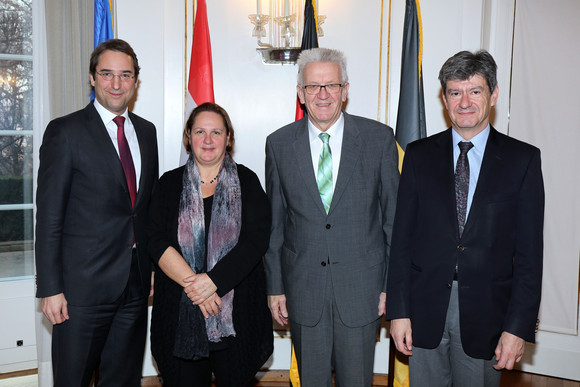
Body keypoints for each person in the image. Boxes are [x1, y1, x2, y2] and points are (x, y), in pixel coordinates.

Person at [386, 50, 545, 386]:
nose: (465, 102)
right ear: (444, 99)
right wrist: (398, 312)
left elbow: (530, 256)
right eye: (455, 92)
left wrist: (517, 327)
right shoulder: (418, 155)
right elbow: (401, 241)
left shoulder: (523, 160)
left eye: (475, 91)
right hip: (424, 311)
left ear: (494, 94)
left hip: (488, 313)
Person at [265, 48, 399, 386]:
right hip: (303, 289)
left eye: (331, 85)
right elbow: (276, 225)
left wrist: (390, 286)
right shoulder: (279, 144)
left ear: (345, 89)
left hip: (362, 288)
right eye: (313, 86)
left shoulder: (378, 139)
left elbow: (392, 221)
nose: (322, 95)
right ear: (300, 93)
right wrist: (276, 287)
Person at [35, 39, 159, 386]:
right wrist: (50, 287)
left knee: (122, 379)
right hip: (80, 291)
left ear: (135, 81)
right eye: (107, 74)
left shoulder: (147, 133)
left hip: (134, 286)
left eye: (125, 75)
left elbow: (143, 210)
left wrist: (149, 266)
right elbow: (49, 217)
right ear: (92, 78)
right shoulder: (66, 132)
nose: (116, 84)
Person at [148, 102, 273, 386]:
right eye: (200, 131)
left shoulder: (247, 181)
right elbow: (155, 239)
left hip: (236, 317)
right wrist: (199, 287)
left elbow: (256, 240)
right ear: (188, 137)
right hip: (181, 314)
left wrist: (214, 281)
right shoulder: (168, 184)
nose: (208, 140)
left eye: (216, 132)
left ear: (228, 138)